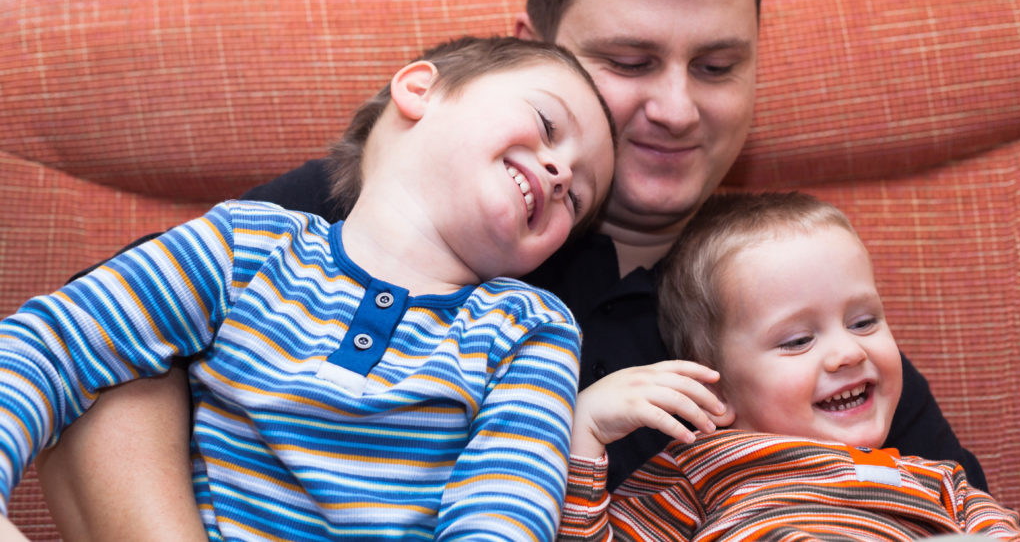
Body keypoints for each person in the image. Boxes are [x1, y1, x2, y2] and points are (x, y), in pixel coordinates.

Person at [35, 0, 985, 537]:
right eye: (628, 60)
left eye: (719, 65)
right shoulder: (402, 198)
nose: (676, 107)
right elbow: (103, 345)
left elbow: (947, 500)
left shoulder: (793, 287)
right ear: (534, 44)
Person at [0, 37, 616, 541]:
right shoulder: (243, 245)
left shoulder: (533, 331)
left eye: (580, 197)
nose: (563, 174)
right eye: (546, 123)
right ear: (421, 89)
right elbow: (51, 346)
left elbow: (505, 517)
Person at [558, 191, 1020, 541]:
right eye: (798, 340)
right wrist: (586, 429)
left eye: (863, 322)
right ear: (715, 392)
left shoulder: (939, 480)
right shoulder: (699, 471)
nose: (848, 352)